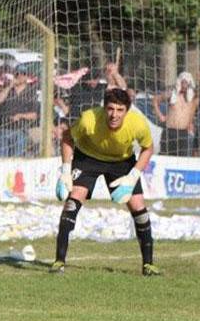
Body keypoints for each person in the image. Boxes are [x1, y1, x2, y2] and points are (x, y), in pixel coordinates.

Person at [53, 88, 159, 276]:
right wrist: (65, 171)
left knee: (138, 207)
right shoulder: (89, 119)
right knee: (72, 203)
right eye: (110, 109)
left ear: (127, 111)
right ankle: (59, 261)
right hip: (88, 157)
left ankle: (148, 265)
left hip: (121, 161)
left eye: (120, 110)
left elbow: (147, 148)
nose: (114, 115)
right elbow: (67, 137)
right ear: (104, 108)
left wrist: (133, 176)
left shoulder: (138, 124)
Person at [153, 71, 198, 156]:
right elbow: (155, 100)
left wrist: (190, 124)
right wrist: (160, 116)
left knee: (182, 160)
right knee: (166, 157)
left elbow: (192, 113)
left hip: (183, 133)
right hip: (170, 132)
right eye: (183, 82)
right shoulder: (172, 94)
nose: (184, 85)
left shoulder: (193, 98)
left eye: (186, 83)